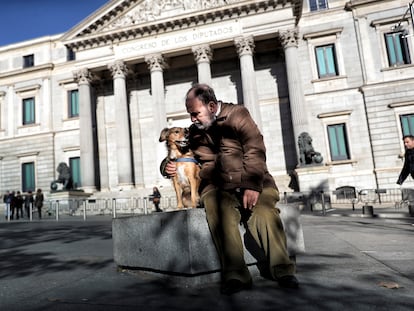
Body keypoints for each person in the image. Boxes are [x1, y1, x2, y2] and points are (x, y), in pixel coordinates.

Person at [162, 84, 298, 294]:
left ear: (212, 106)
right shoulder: (195, 132)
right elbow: (175, 147)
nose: (192, 120)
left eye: (196, 113)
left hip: (253, 180)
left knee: (263, 212)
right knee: (218, 210)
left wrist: (251, 185)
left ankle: (283, 270)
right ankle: (236, 275)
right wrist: (166, 166)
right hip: (217, 187)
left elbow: (255, 149)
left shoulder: (238, 115)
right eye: (190, 115)